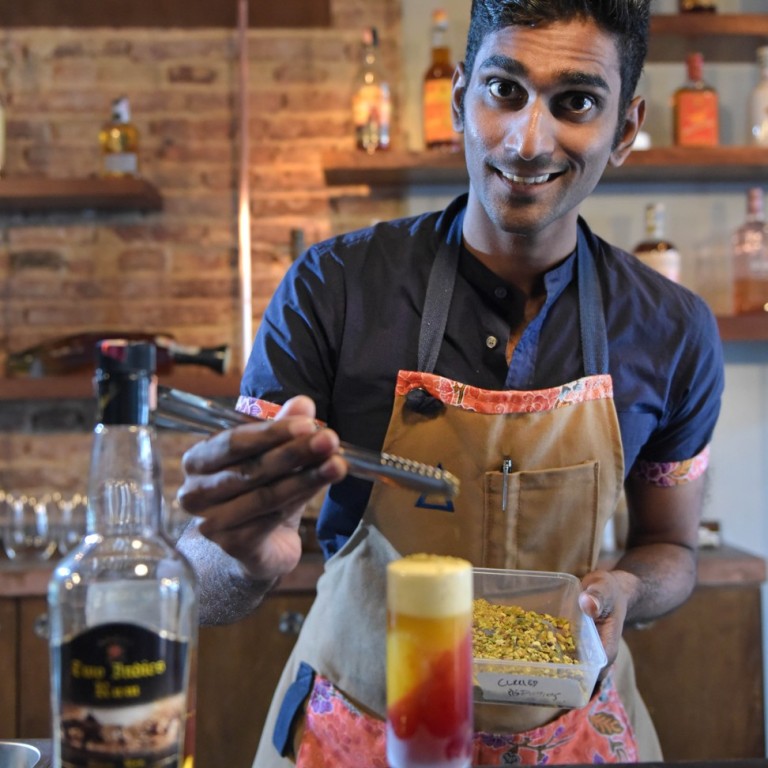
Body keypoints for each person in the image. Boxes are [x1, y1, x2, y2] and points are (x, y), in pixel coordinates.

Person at [176, 1, 724, 765]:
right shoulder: (334, 288)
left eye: (575, 102)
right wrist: (241, 556)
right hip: (355, 732)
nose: (527, 141)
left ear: (625, 129)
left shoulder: (673, 329)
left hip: (570, 737)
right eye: (504, 90)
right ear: (461, 96)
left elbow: (670, 546)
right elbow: (205, 584)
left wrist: (629, 588)